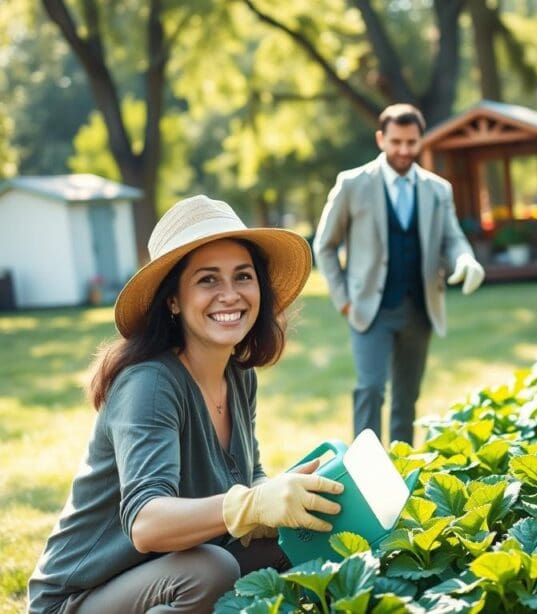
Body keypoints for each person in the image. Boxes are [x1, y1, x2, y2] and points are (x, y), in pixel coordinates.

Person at [28, 195, 345, 613]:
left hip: (162, 571)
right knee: (209, 571)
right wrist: (251, 504)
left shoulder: (238, 375)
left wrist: (280, 499)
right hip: (81, 596)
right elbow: (146, 523)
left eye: (243, 277)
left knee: (294, 547)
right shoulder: (150, 384)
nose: (230, 295)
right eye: (208, 280)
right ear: (173, 300)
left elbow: (247, 479)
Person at [313, 103, 485, 446]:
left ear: (420, 140)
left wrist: (465, 260)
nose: (404, 150)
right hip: (369, 309)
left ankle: (402, 474)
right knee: (371, 389)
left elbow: (452, 238)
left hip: (419, 309)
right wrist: (344, 300)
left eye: (411, 142)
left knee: (407, 399)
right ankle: (364, 479)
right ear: (381, 139)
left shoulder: (438, 190)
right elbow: (324, 245)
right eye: (396, 142)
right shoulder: (352, 184)